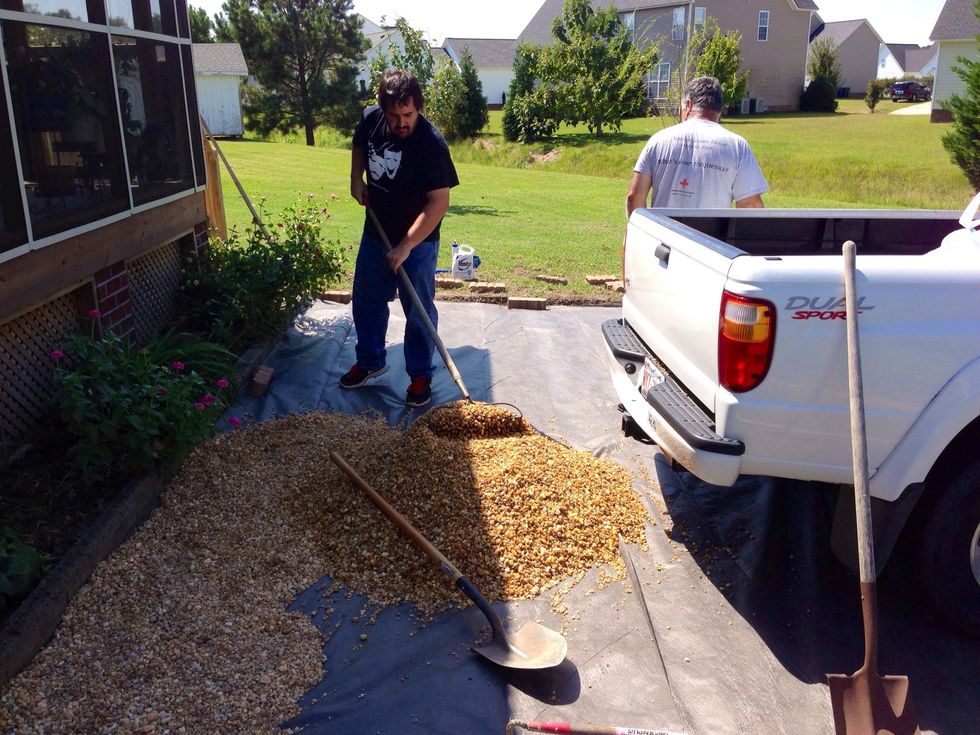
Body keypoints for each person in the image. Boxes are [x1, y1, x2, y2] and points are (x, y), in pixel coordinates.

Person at [341, 69, 459, 408]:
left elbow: (439, 203)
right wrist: (355, 178)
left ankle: (420, 375)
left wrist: (405, 246)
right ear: (382, 108)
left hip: (418, 242)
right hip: (376, 229)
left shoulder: (431, 144)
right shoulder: (370, 119)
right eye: (394, 115)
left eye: (408, 114)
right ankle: (370, 361)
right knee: (366, 299)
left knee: (418, 311)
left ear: (418, 108)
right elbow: (360, 144)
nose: (401, 122)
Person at [626, 76, 768, 217]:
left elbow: (634, 198)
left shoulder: (658, 140)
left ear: (688, 105)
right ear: (720, 109)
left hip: (662, 237)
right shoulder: (737, 146)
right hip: (708, 239)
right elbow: (750, 205)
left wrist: (633, 232)